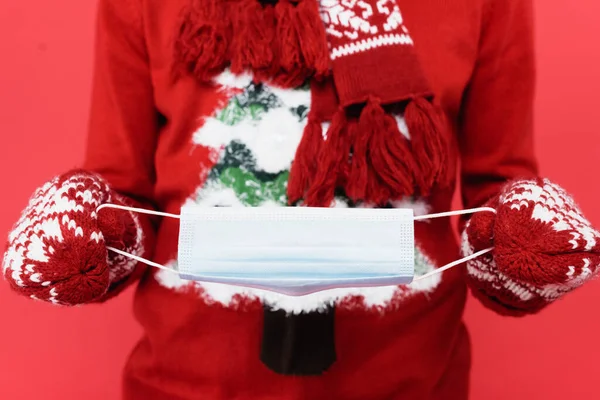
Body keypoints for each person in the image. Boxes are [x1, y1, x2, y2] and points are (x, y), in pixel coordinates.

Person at [3, 0, 599, 398]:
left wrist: (529, 246)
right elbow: (123, 194)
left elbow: (496, 193)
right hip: (183, 388)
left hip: (413, 387)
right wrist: (85, 233)